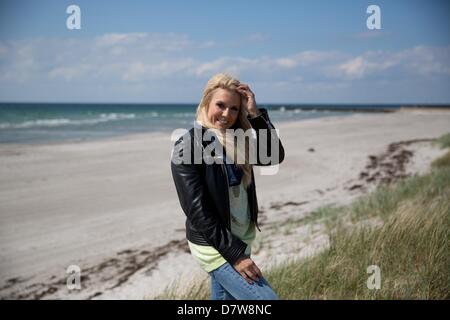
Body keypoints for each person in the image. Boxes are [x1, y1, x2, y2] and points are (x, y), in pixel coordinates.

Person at [170, 73, 285, 300]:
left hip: (242, 237)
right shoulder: (188, 145)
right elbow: (198, 211)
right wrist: (236, 256)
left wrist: (255, 114)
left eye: (234, 109)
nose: (226, 114)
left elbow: (273, 155)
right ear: (206, 103)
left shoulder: (237, 140)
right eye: (220, 105)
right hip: (215, 246)